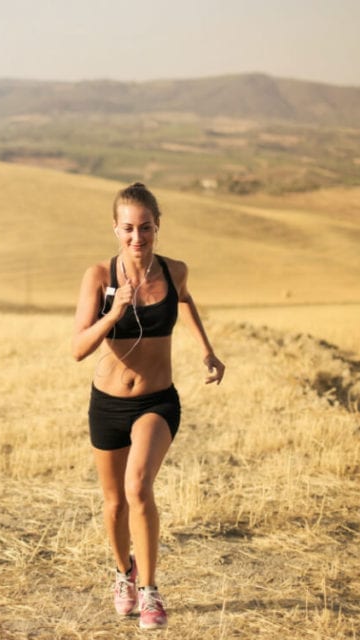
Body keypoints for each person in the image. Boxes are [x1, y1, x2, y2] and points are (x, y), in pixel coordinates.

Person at [71, 182, 225, 630]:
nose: (137, 237)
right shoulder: (99, 276)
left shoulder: (175, 271)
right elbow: (78, 348)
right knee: (115, 502)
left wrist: (207, 351)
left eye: (146, 228)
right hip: (107, 405)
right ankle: (124, 575)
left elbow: (186, 301)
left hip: (158, 401)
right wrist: (113, 314)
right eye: (129, 229)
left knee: (139, 488)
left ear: (158, 227)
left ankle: (151, 591)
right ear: (115, 229)